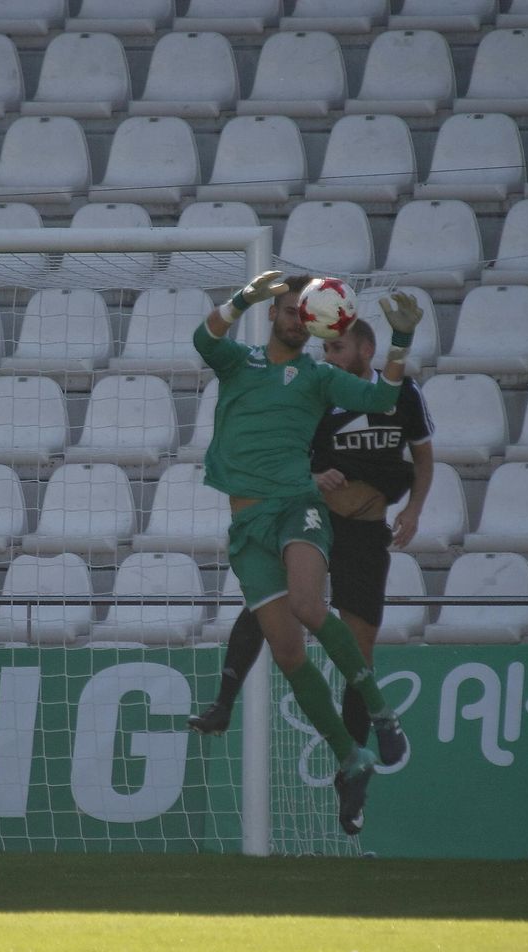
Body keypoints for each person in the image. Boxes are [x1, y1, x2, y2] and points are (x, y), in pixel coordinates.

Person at [192, 270, 424, 835]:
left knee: (307, 604)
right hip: (248, 524)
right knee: (290, 653)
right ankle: (350, 754)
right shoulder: (239, 362)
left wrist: (399, 343)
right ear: (274, 314)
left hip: (298, 504)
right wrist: (242, 295)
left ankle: (381, 711)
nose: (298, 318)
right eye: (291, 309)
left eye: (307, 311)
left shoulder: (319, 375)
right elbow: (204, 340)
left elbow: (385, 398)